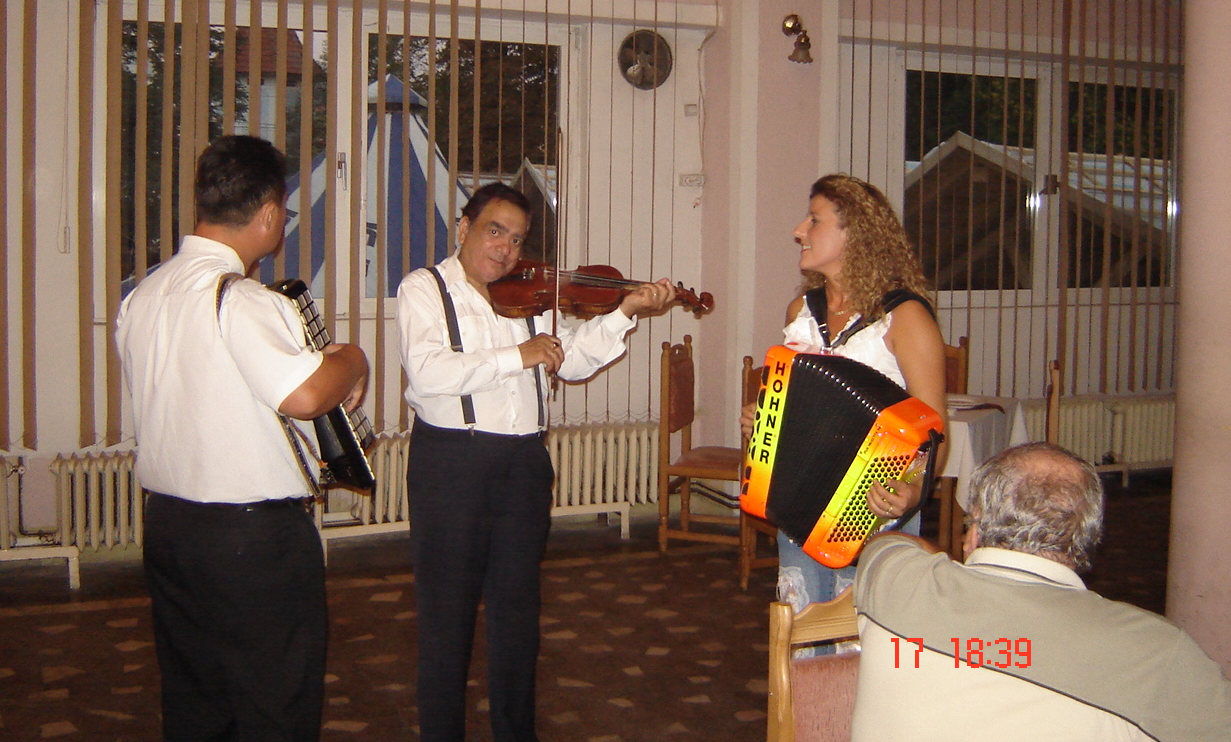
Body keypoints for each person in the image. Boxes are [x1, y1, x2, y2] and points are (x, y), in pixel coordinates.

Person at [395, 181, 676, 742]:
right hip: (452, 463)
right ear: (464, 228)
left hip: (524, 464)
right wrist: (514, 355)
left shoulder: (529, 295)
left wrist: (624, 311)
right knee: (446, 620)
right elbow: (429, 370)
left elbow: (570, 361)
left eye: (518, 239)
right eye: (496, 231)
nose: (506, 249)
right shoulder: (422, 289)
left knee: (516, 617)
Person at [116, 134, 369, 742]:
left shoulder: (143, 294)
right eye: (282, 210)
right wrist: (352, 359)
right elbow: (304, 396)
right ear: (265, 214)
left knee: (195, 698)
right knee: (274, 703)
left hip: (171, 529)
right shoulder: (244, 299)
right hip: (252, 542)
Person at [851, 442, 1231, 741]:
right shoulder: (1161, 653)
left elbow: (891, 543)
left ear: (974, 532)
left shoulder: (895, 580)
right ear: (1088, 539)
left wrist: (953, 560)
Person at [741, 173, 947, 615]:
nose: (799, 231)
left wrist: (911, 493)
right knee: (802, 637)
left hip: (874, 509)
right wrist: (763, 419)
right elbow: (793, 403)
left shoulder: (905, 318)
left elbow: (934, 433)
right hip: (801, 507)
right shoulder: (801, 313)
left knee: (867, 642)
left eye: (814, 220)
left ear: (856, 233)